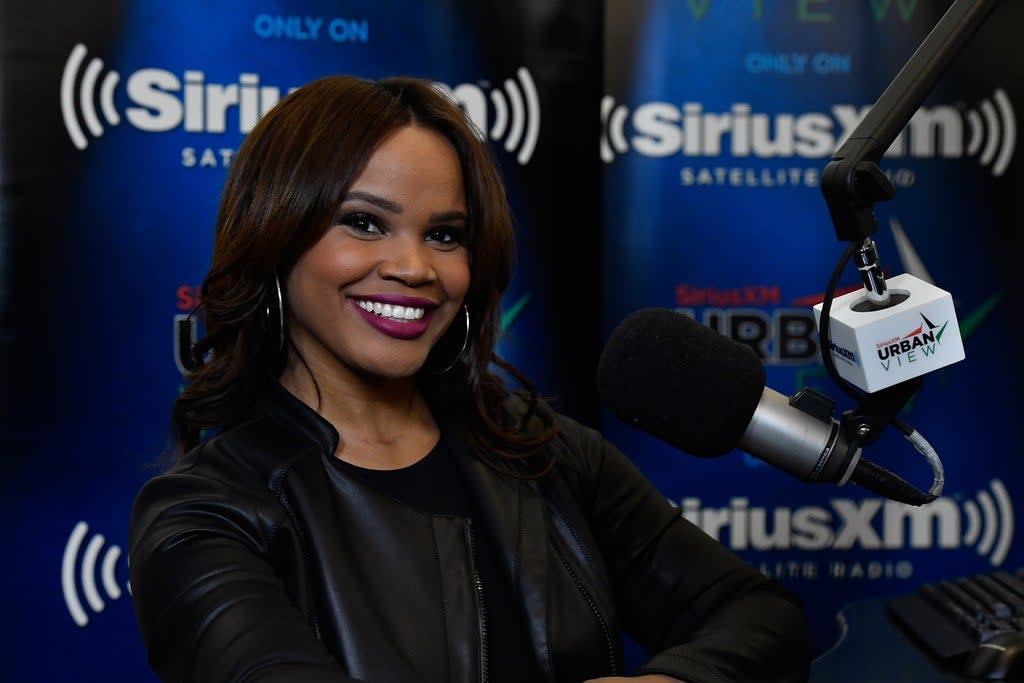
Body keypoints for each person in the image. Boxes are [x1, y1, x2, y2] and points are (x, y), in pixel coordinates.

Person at [128, 73, 811, 683]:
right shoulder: (204, 514)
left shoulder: (546, 452)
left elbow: (760, 617)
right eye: (364, 223)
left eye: (446, 235)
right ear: (274, 236)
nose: (415, 268)